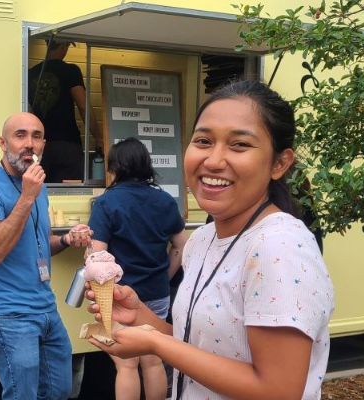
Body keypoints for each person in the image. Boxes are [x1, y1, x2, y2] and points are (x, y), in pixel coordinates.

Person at [85, 80, 335, 400]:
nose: (214, 160)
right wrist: (138, 315)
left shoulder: (279, 247)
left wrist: (154, 343)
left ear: (279, 163)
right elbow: (200, 348)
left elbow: (278, 389)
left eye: (239, 145)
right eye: (203, 140)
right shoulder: (202, 238)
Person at [0, 112, 93, 400]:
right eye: (21, 135)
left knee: (59, 390)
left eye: (37, 136)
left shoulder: (37, 186)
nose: (30, 143)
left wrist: (65, 240)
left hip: (45, 308)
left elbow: (37, 244)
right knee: (23, 395)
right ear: (3, 142)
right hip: (9, 314)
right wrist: (27, 196)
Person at [86, 136, 187, 400]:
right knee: (153, 359)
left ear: (115, 169)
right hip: (157, 292)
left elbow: (98, 256)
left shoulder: (106, 203)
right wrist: (165, 276)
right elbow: (180, 246)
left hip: (120, 297)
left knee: (126, 363)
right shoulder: (165, 201)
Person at [28, 39, 101, 183]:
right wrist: (97, 136)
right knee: (70, 189)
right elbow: (83, 106)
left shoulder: (31, 73)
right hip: (67, 144)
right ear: (63, 46)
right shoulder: (70, 71)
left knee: (41, 190)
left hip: (39, 145)